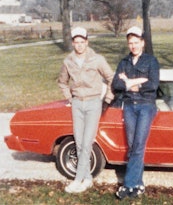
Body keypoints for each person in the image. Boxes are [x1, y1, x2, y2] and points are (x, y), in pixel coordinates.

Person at [58, 27, 114, 193]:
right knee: (79, 142)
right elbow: (62, 82)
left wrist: (108, 99)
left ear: (87, 42)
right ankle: (87, 178)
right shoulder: (68, 61)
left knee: (87, 142)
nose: (80, 45)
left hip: (93, 103)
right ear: (73, 43)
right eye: (76, 42)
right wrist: (69, 97)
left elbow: (112, 78)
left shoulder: (97, 59)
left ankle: (77, 180)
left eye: (83, 42)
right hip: (77, 104)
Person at [112, 26, 160, 199]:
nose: (133, 46)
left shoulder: (151, 61)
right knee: (133, 146)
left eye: (136, 42)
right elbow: (115, 85)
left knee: (138, 145)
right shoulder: (123, 62)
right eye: (130, 43)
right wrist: (137, 81)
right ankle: (138, 185)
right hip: (129, 106)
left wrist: (129, 82)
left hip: (146, 106)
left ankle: (128, 184)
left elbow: (153, 85)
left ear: (142, 42)